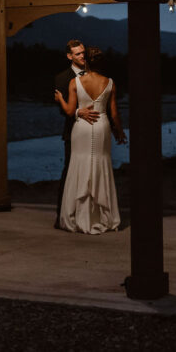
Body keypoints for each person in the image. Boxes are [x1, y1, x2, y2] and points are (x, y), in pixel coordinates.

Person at [54, 46, 126, 234]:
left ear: (86, 62)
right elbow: (115, 113)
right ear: (102, 64)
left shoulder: (74, 82)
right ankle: (103, 216)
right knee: (101, 164)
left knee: (79, 164)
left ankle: (78, 216)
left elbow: (70, 111)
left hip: (82, 127)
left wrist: (60, 99)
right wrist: (119, 131)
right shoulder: (110, 83)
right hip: (102, 125)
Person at [53, 40, 98, 228]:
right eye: (77, 54)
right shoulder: (62, 78)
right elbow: (62, 109)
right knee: (70, 172)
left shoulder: (94, 74)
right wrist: (79, 111)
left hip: (95, 130)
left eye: (83, 53)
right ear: (69, 56)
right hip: (73, 130)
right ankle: (62, 216)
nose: (82, 56)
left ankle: (88, 215)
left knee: (92, 172)